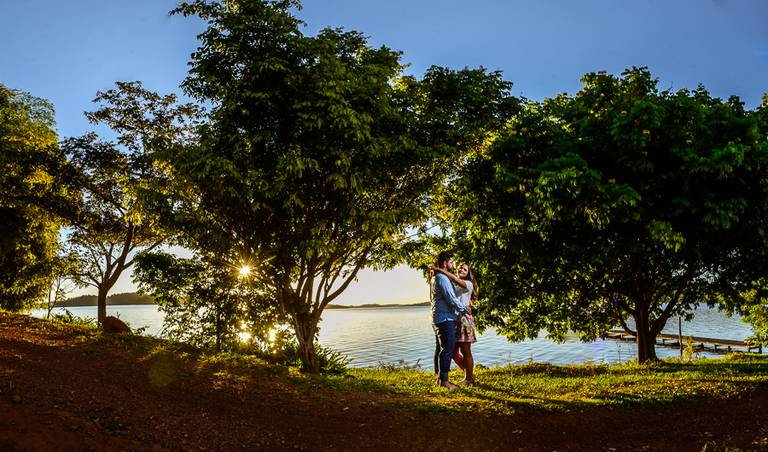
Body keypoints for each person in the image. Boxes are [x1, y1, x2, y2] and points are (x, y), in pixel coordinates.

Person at [434, 262, 478, 385]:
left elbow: (453, 278)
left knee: (466, 351)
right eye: (460, 268)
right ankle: (469, 373)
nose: (462, 270)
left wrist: (440, 270)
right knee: (452, 352)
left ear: (469, 273)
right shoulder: (452, 283)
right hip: (454, 319)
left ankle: (468, 378)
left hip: (464, 320)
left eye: (465, 269)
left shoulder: (468, 284)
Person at [431, 251, 466, 389]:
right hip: (445, 318)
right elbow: (451, 299)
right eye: (451, 262)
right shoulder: (442, 278)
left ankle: (441, 379)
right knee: (448, 349)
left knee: (443, 348)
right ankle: (444, 382)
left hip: (441, 317)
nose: (453, 264)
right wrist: (464, 309)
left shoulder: (437, 277)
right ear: (445, 263)